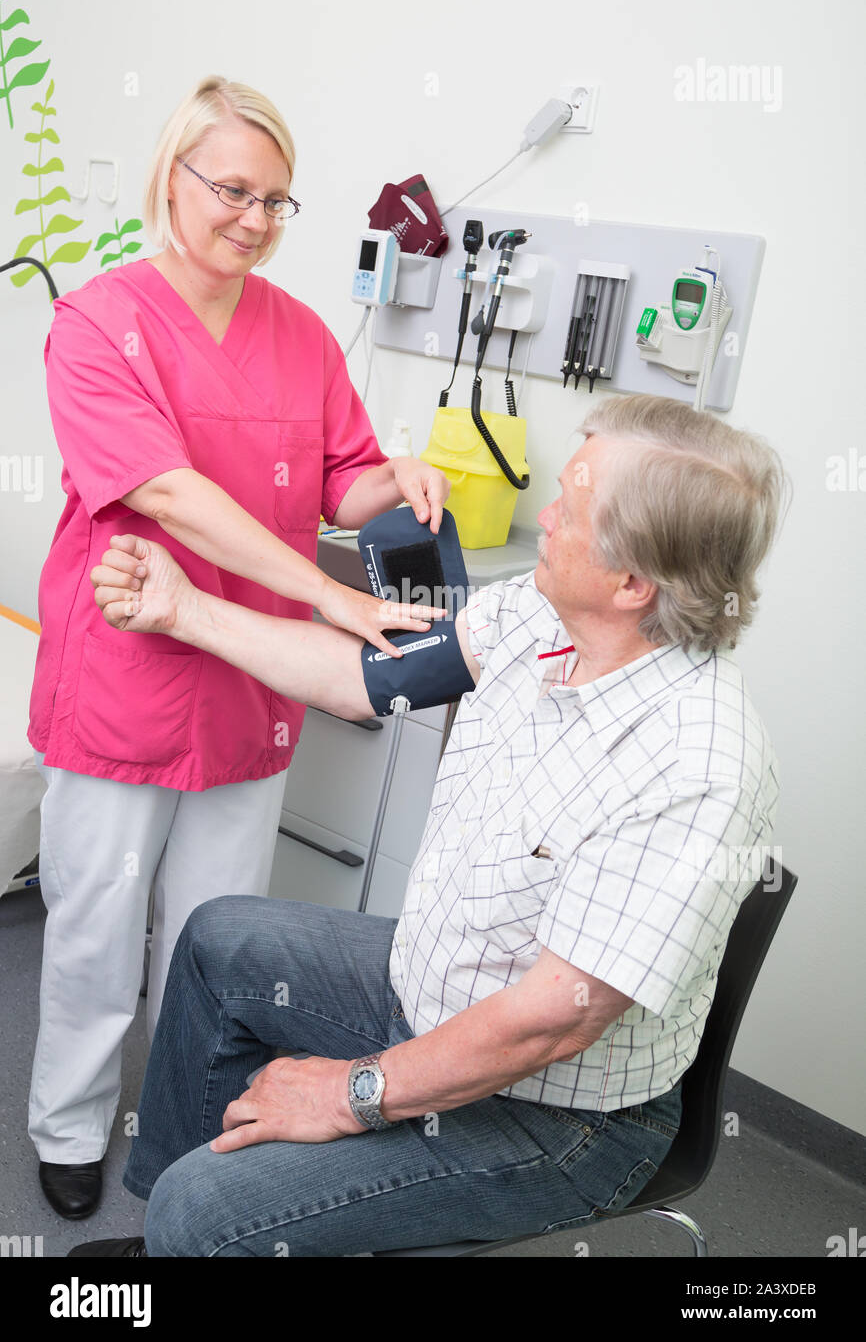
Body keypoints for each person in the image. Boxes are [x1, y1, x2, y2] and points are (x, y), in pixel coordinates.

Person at [71, 394, 787, 1257]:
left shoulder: (695, 762)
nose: (545, 519)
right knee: (221, 941)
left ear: (633, 584)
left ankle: (193, 1227)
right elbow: (364, 679)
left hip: (553, 1116)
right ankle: (170, 1244)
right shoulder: (541, 617)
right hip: (434, 990)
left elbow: (551, 1021)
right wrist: (182, 611)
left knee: (205, 1208)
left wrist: (347, 1092)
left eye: (569, 508)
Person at [26, 74, 448, 1221]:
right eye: (232, 190)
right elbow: (166, 493)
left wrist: (393, 484)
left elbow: (340, 475)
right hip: (127, 666)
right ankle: (68, 1125)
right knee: (97, 927)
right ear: (174, 178)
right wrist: (330, 596)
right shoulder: (97, 323)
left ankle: (180, 1131)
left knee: (218, 937)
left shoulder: (302, 335)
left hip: (248, 681)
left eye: (276, 201)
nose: (254, 219)